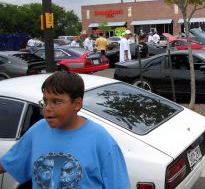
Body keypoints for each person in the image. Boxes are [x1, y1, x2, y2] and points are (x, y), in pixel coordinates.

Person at [0, 71, 130, 189]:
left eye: (56, 102)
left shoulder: (101, 140)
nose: (47, 108)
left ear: (77, 104)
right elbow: (9, 162)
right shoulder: (37, 131)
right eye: (45, 101)